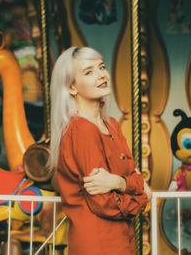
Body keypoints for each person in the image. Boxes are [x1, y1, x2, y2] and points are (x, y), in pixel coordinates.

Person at [49, 46, 151, 255]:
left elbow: (134, 176)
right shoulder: (81, 129)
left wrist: (119, 183)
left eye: (101, 67)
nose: (101, 75)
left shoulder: (111, 124)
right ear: (72, 88)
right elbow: (102, 202)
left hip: (121, 238)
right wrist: (141, 198)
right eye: (89, 72)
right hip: (98, 243)